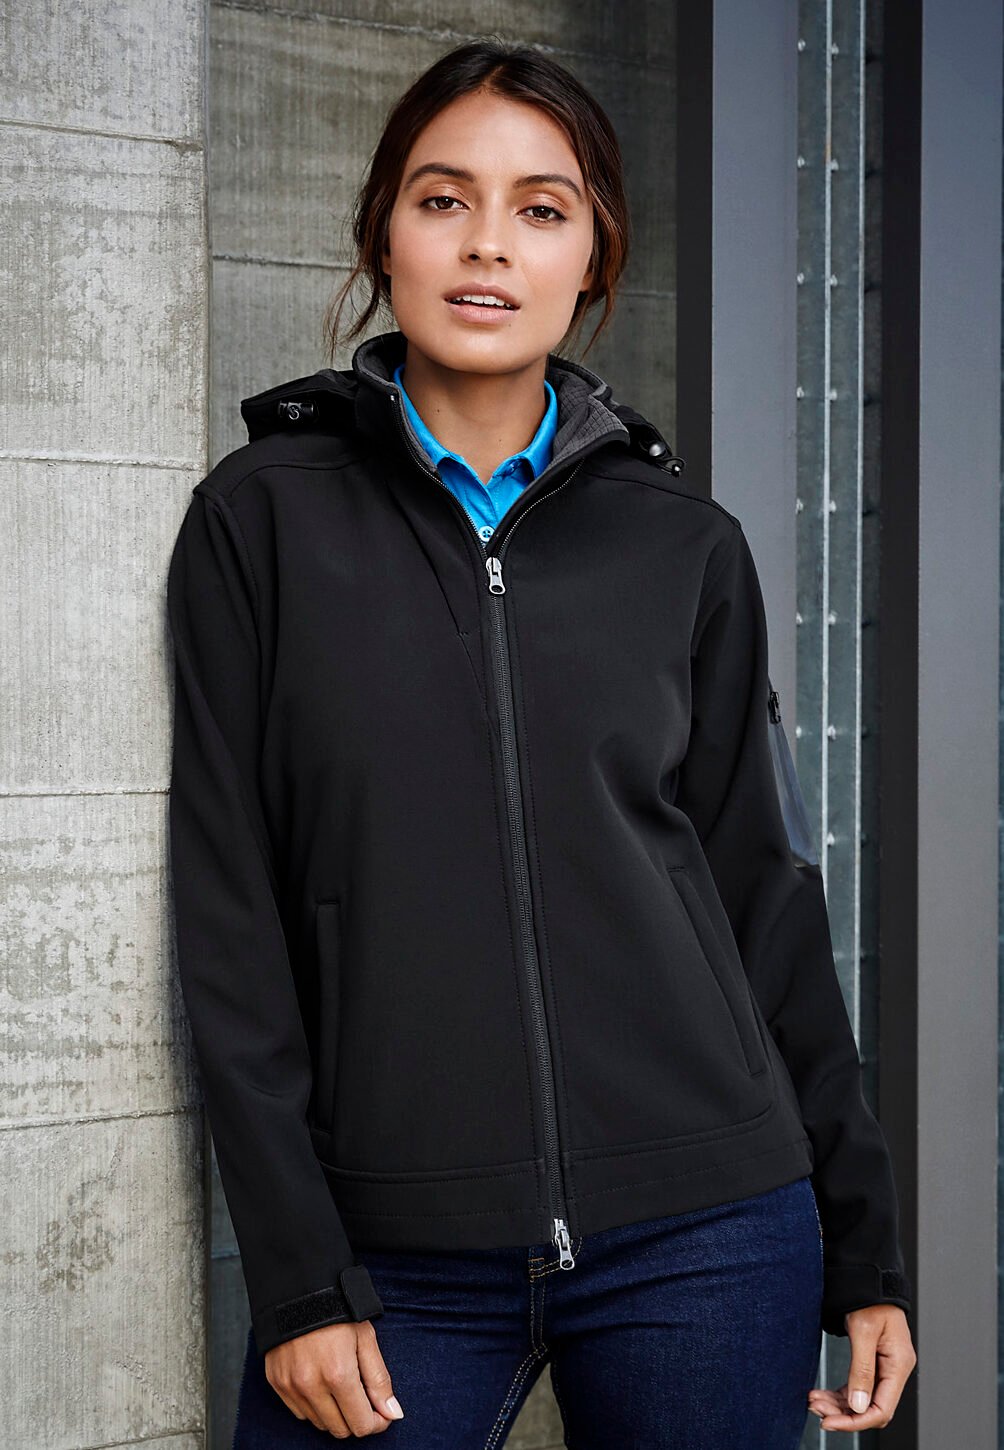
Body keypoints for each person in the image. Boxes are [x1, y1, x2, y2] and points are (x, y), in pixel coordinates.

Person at [166, 37, 917, 1449]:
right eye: (444, 199)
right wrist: (297, 1272)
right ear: (383, 232)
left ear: (593, 258)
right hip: (389, 1247)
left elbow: (765, 895)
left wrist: (865, 1240)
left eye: (542, 208)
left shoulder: (684, 546)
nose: (488, 244)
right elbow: (229, 918)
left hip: (707, 1227)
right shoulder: (259, 520)